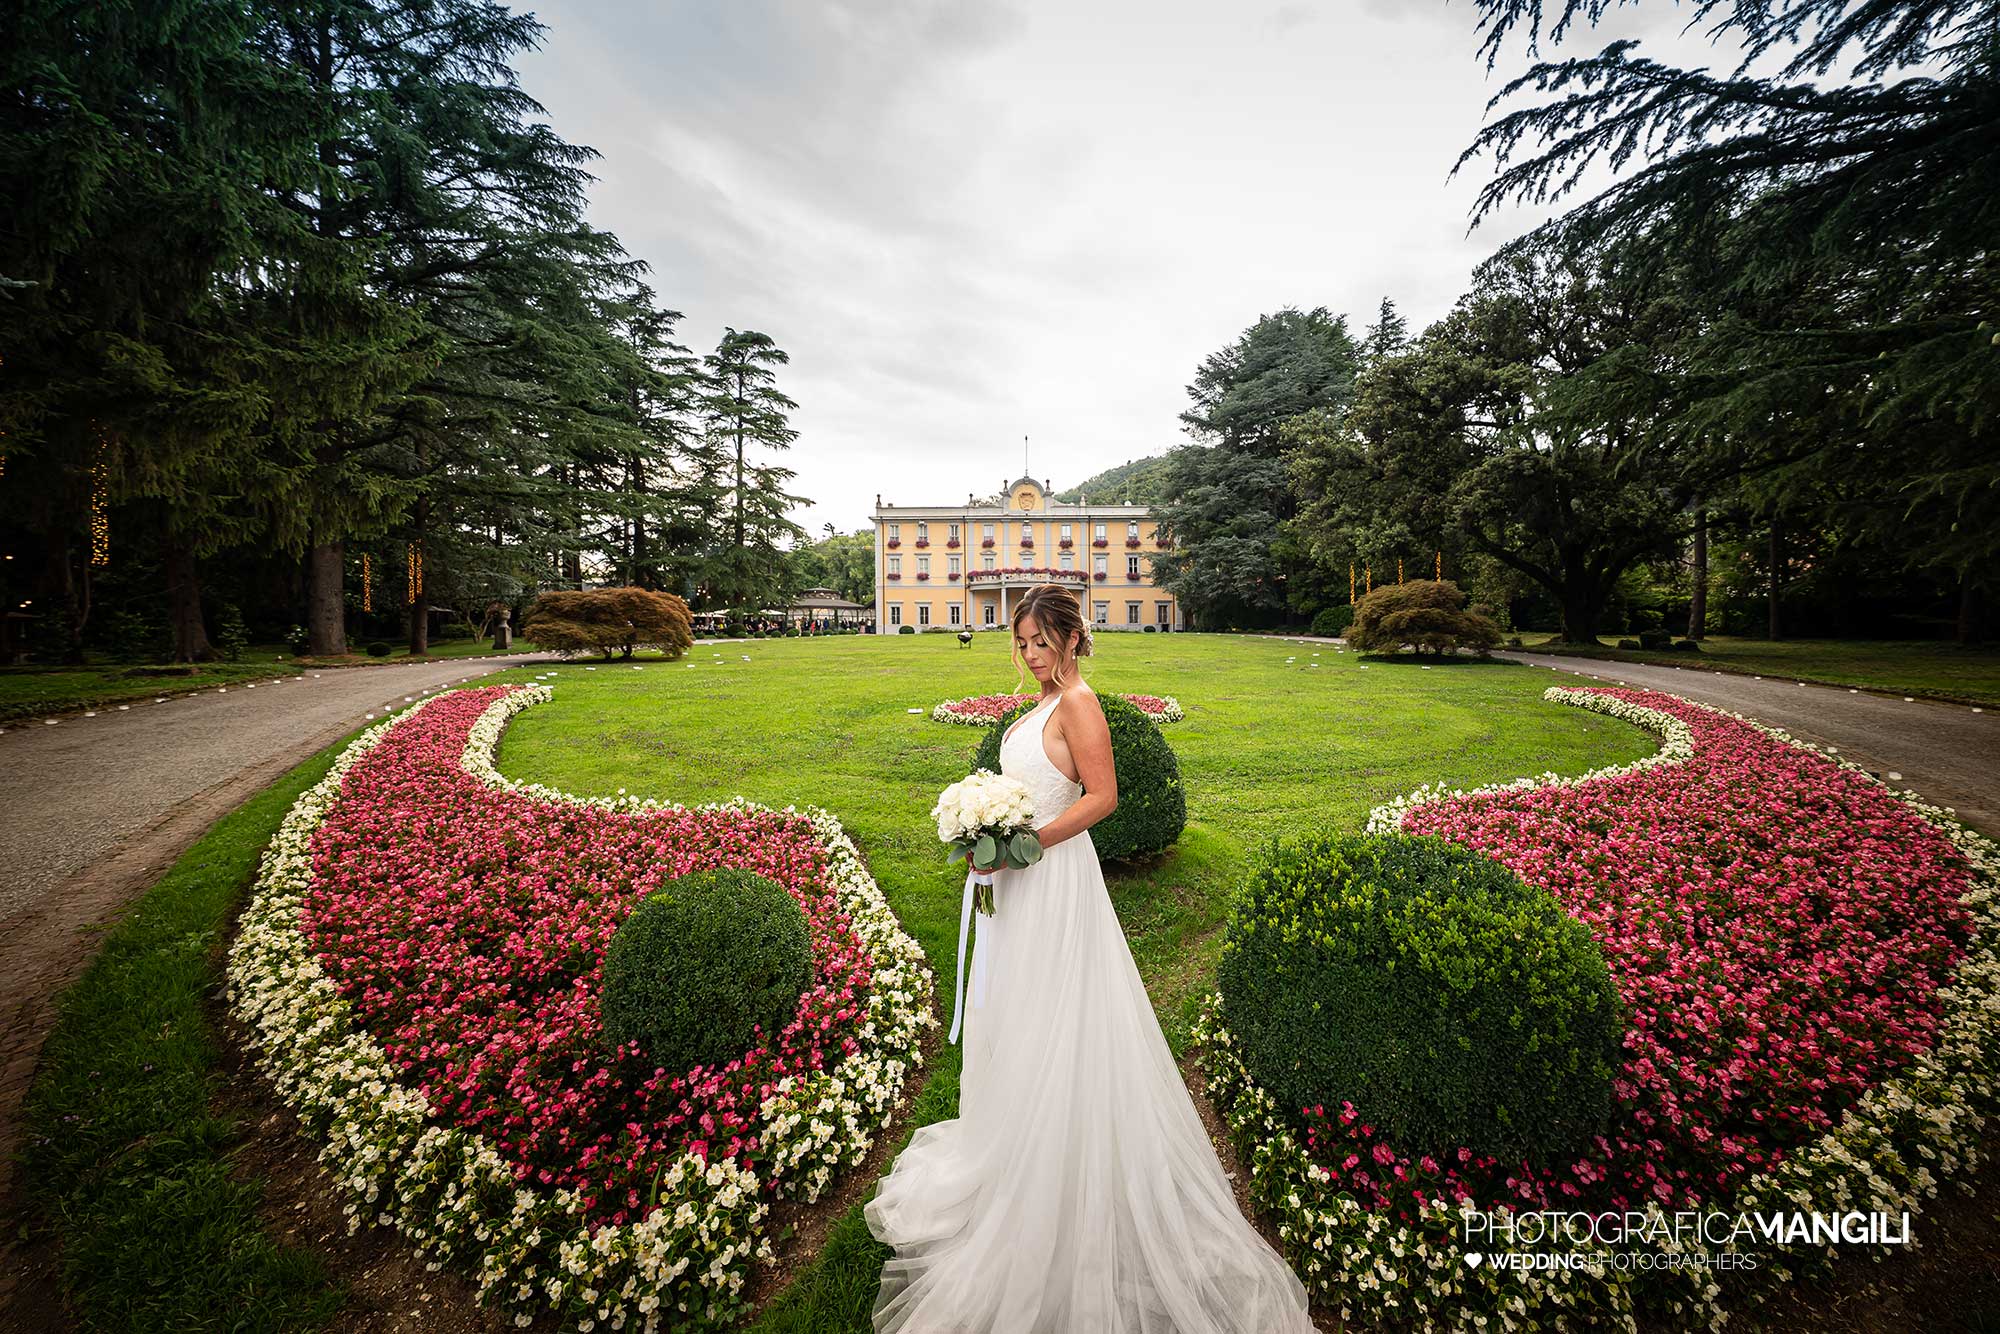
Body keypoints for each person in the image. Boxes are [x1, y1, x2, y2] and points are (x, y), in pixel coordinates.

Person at [865, 585, 1317, 1333]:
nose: (1033, 654)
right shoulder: (1038, 705)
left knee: (1057, 1014)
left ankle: (1062, 1160)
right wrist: (984, 825)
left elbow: (1102, 796)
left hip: (1052, 878)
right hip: (1012, 886)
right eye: (1023, 643)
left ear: (1073, 639)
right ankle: (1011, 1143)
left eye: (1044, 641)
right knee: (1014, 1015)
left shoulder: (1080, 702)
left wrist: (1028, 842)